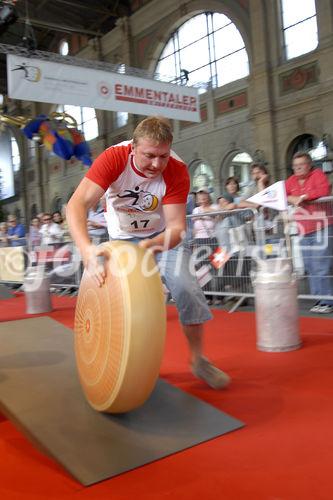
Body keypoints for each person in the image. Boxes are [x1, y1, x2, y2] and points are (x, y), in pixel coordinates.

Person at [66, 116, 230, 389]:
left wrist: (153, 245)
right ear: (133, 148)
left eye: (162, 156)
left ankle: (198, 360)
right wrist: (86, 251)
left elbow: (177, 228)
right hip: (121, 237)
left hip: (162, 235)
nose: (156, 164)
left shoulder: (176, 169)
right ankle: (124, 363)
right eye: (149, 156)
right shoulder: (113, 159)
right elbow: (76, 206)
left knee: (186, 287)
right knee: (121, 301)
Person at [286, 151, 333, 313]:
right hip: (303, 229)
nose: (298, 168)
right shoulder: (291, 180)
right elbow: (282, 194)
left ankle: (328, 301)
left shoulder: (318, 174)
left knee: (321, 264)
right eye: (295, 165)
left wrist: (303, 196)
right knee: (310, 265)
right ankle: (319, 299)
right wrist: (291, 198)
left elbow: (324, 191)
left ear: (309, 165)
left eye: (302, 164)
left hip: (321, 227)